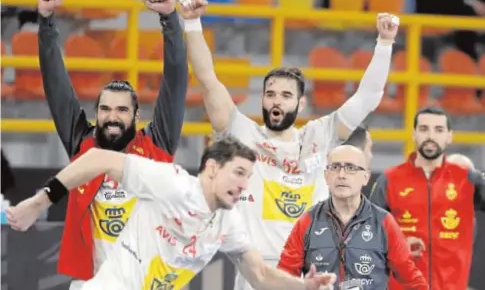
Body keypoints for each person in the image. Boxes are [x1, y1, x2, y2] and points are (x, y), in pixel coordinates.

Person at [178, 0, 399, 290]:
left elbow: (368, 97)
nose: (276, 101)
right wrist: (191, 24)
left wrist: (384, 44)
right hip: (256, 275)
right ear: (263, 100)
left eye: (286, 95)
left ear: (301, 103)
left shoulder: (321, 135)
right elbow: (207, 79)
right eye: (270, 94)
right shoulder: (243, 134)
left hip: (312, 271)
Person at [7, 136, 337, 290]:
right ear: (211, 167)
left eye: (249, 176)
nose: (244, 184)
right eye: (238, 172)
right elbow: (99, 160)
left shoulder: (228, 220)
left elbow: (261, 276)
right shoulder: (173, 184)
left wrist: (303, 287)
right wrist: (38, 203)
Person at [28, 0, 188, 287]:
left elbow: (176, 81)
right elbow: (56, 85)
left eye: (121, 110)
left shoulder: (157, 145)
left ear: (136, 117)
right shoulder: (82, 145)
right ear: (96, 113)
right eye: (105, 109)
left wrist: (169, 19)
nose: (112, 117)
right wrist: (46, 21)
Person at [277, 145, 428, 289]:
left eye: (350, 168)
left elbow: (413, 281)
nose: (341, 175)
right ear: (326, 176)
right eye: (335, 167)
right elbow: (282, 279)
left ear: (366, 177)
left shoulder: (383, 222)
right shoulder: (308, 221)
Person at [369, 106, 485, 290]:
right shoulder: (390, 181)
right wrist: (396, 246)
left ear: (449, 136)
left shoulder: (469, 180)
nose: (431, 136)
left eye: (438, 130)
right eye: (424, 129)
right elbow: (366, 235)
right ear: (414, 134)